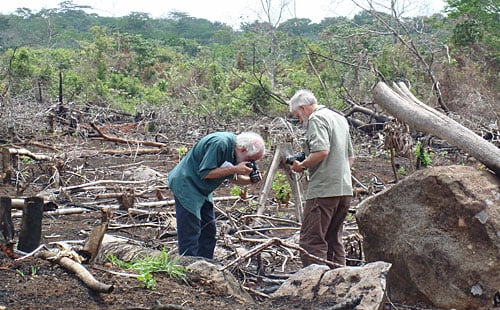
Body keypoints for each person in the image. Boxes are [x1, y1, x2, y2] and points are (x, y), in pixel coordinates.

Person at [167, 131, 265, 259]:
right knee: (190, 230)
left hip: (203, 190)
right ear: (243, 149)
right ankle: (187, 267)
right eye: (250, 160)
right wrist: (236, 169)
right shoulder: (220, 144)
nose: (250, 163)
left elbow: (231, 177)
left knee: (208, 231)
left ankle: (206, 265)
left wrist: (250, 180)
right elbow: (206, 173)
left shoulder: (235, 151)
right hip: (186, 184)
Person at [288, 89, 355, 267]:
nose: (300, 121)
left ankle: (314, 286)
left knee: (312, 241)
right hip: (344, 189)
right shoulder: (339, 118)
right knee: (334, 240)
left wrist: (301, 166)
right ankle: (339, 282)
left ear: (302, 108)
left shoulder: (316, 118)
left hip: (323, 191)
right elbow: (350, 158)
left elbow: (321, 151)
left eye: (297, 116)